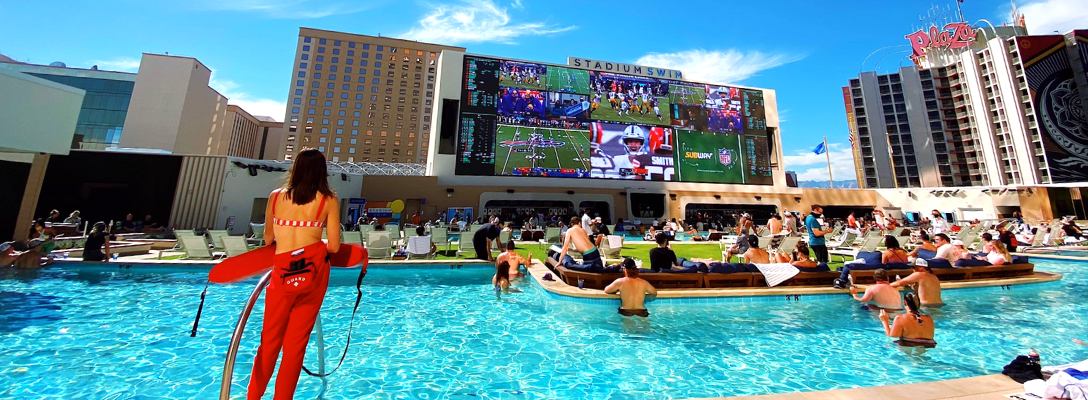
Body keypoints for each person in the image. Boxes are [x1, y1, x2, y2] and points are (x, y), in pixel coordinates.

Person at [248, 147, 342, 400]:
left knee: (268, 344)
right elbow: (333, 246)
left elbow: (268, 239)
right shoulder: (328, 200)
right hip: (313, 276)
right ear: (322, 171)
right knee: (294, 348)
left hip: (281, 275)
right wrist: (313, 245)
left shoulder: (276, 197)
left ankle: (253, 396)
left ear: (296, 168)